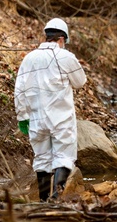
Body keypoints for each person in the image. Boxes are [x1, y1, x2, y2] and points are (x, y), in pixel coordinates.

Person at [14, 18, 87, 200]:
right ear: (62, 39)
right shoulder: (65, 57)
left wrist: (22, 116)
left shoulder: (29, 58)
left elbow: (19, 90)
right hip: (60, 117)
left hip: (36, 118)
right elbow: (80, 82)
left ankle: (43, 200)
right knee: (64, 156)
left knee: (42, 159)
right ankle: (56, 198)